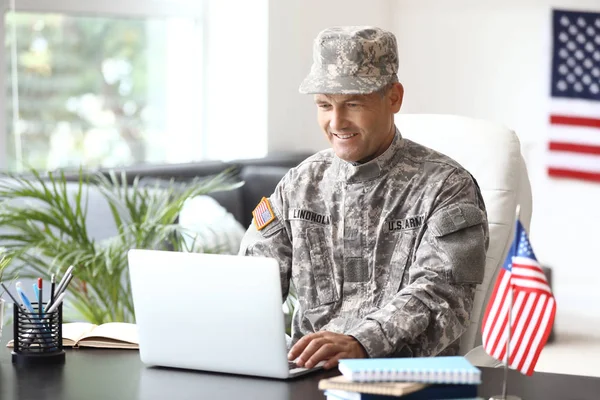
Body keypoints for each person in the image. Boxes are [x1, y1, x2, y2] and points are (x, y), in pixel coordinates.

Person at [238, 26, 489, 370]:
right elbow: (249, 282)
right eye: (324, 105)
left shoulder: (447, 186)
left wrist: (361, 342)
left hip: (399, 381)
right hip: (307, 377)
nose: (336, 122)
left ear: (394, 97)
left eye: (353, 103)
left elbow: (443, 296)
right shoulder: (300, 184)